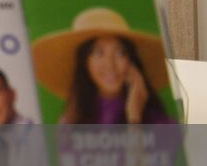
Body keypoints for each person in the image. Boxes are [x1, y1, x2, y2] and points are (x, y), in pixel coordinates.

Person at [31, 8, 174, 125]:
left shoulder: (161, 124)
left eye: (120, 53)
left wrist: (134, 116)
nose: (110, 65)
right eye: (99, 53)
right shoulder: (71, 123)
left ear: (131, 61)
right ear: (84, 62)